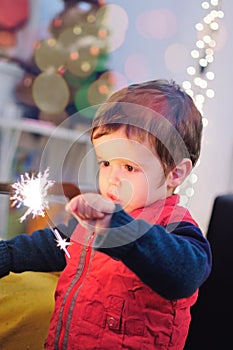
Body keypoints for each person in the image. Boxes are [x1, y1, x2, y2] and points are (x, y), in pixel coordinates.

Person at [0, 79, 212, 350]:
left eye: (129, 167)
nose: (112, 178)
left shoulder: (174, 227)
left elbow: (185, 275)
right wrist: (6, 254)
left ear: (175, 173)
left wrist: (120, 228)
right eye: (106, 163)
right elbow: (51, 244)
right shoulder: (96, 218)